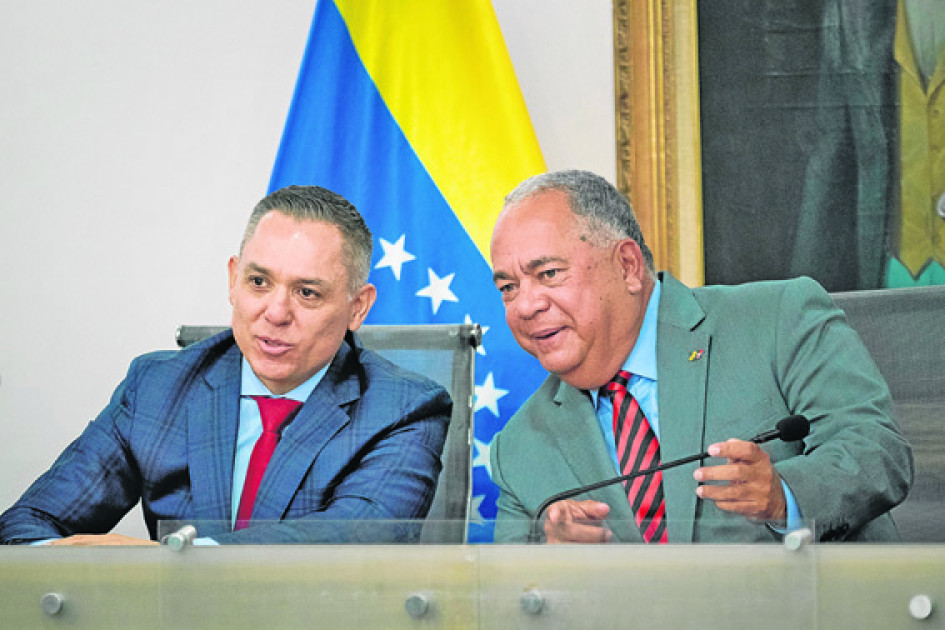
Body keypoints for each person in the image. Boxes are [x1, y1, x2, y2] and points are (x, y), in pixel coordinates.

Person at [0, 185, 451, 545]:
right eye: (258, 282)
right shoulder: (156, 387)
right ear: (233, 280)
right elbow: (26, 526)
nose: (275, 312)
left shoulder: (404, 409)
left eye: (307, 292)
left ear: (358, 307)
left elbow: (355, 540)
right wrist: (68, 558)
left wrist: (170, 566)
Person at [489, 169, 913, 544]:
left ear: (627, 266)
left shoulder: (777, 318)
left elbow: (876, 450)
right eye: (508, 287)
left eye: (548, 274)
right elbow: (508, 600)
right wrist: (548, 563)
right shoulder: (518, 449)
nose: (525, 306)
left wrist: (783, 495)